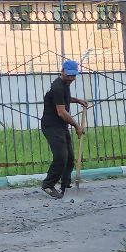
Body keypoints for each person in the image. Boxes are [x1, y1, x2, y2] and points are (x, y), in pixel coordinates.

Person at [41, 59, 89, 200]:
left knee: (70, 157)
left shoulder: (64, 84)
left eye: (74, 76)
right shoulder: (58, 87)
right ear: (62, 72)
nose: (72, 78)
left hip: (60, 125)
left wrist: (77, 100)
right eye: (69, 75)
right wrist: (77, 126)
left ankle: (65, 184)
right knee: (61, 156)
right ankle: (48, 185)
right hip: (51, 126)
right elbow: (61, 112)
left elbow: (64, 99)